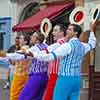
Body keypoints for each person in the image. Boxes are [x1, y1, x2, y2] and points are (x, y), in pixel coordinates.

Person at [26, 22, 96, 100]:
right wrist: (92, 31)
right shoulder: (83, 46)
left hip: (65, 79)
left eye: (70, 29)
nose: (67, 31)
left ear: (76, 33)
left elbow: (50, 56)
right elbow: (92, 44)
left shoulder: (67, 46)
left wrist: (34, 55)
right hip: (77, 79)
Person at [19, 32, 48, 100]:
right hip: (45, 75)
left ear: (37, 40)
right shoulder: (46, 46)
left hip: (36, 75)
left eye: (33, 36)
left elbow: (21, 55)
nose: (31, 37)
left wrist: (7, 55)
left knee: (24, 97)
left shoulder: (34, 48)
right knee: (37, 97)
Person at [43, 24, 67, 100]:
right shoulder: (62, 43)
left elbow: (45, 53)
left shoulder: (60, 44)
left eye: (55, 30)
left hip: (56, 74)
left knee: (48, 97)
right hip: (56, 74)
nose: (53, 33)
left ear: (62, 33)